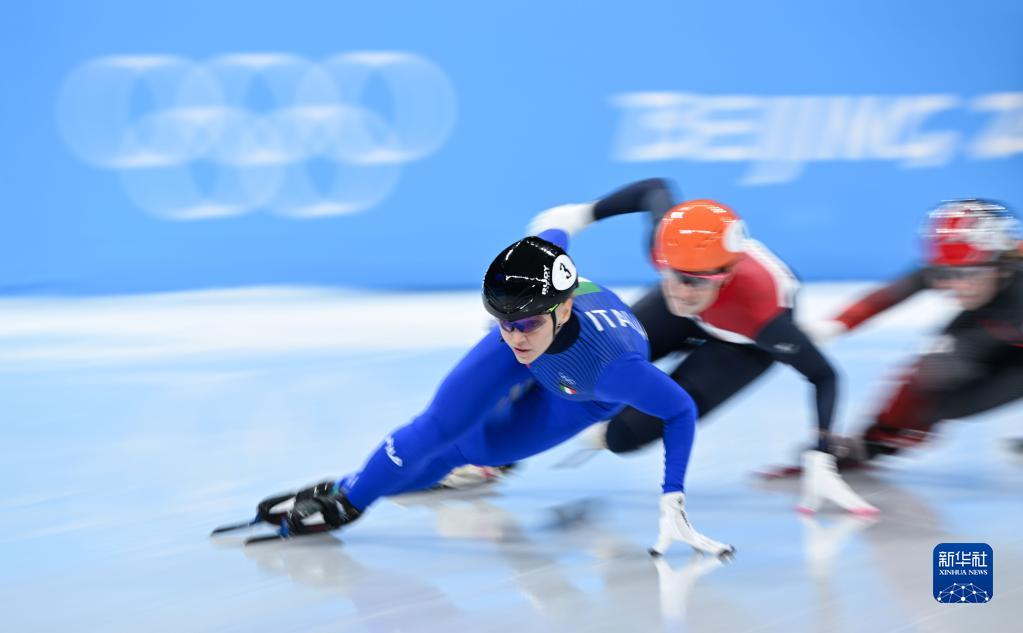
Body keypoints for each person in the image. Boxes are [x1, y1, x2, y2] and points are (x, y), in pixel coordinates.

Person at [255, 230, 734, 556]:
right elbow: (556, 231)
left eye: (523, 324)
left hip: (576, 393)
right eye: (504, 323)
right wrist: (579, 217)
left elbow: (679, 410)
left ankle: (352, 492)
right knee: (437, 427)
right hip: (554, 349)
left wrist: (673, 498)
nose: (514, 336)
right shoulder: (525, 322)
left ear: (563, 310)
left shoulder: (614, 369)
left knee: (469, 449)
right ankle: (351, 493)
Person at [529, 179, 875, 514]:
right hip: (689, 316)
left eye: (694, 282)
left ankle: (603, 432)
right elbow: (655, 189)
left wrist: (820, 456)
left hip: (742, 345)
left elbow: (824, 376)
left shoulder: (763, 317)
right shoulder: (668, 245)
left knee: (623, 437)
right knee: (581, 356)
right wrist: (583, 215)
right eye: (674, 274)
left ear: (724, 276)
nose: (681, 290)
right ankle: (497, 457)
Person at [801, 199, 1023, 466]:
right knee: (930, 372)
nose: (957, 285)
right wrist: (836, 324)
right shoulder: (971, 261)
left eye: (968, 273)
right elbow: (892, 294)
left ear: (1002, 264)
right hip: (993, 328)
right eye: (945, 274)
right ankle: (874, 442)